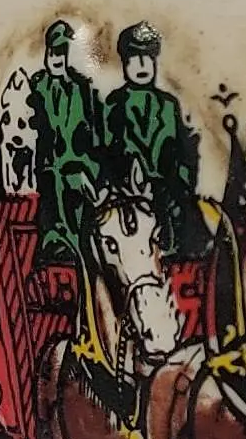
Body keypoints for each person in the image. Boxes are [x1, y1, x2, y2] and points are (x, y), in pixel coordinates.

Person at [99, 22, 203, 253]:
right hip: (129, 189)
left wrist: (182, 179)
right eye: (134, 59)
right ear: (125, 64)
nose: (141, 65)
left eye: (147, 58)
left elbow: (182, 146)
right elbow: (107, 148)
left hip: (167, 187)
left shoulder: (168, 104)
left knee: (191, 227)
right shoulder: (115, 103)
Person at [27, 20, 104, 261]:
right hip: (49, 168)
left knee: (78, 206)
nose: (56, 58)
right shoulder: (37, 86)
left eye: (61, 52)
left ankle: (81, 251)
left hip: (78, 166)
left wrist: (90, 171)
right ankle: (55, 246)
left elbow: (95, 134)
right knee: (53, 196)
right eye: (52, 52)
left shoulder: (83, 89)